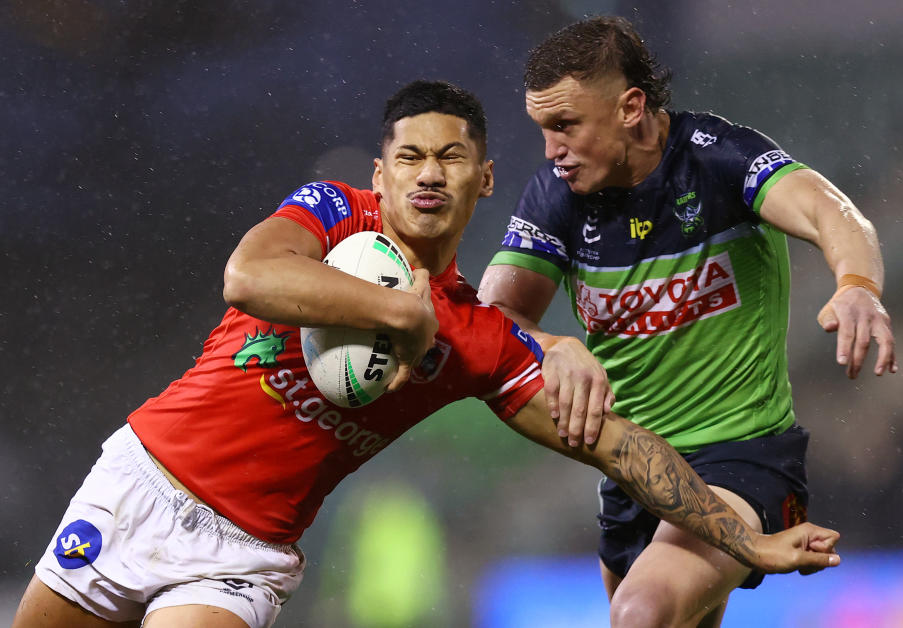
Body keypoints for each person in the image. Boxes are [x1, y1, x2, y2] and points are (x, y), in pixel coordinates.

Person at [13, 80, 840, 628]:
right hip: (140, 484)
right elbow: (248, 275)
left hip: (245, 555)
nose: (428, 175)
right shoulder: (332, 213)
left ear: (485, 180)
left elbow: (622, 449)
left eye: (451, 158)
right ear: (382, 172)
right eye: (409, 157)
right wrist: (399, 318)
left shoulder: (477, 341)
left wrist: (747, 541)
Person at [478, 16, 896, 628]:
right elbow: (495, 317)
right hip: (630, 468)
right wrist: (551, 343)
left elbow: (828, 208)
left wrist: (858, 284)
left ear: (631, 106)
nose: (550, 151)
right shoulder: (557, 195)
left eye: (565, 126)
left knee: (641, 613)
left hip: (738, 458)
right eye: (542, 129)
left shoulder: (719, 159)